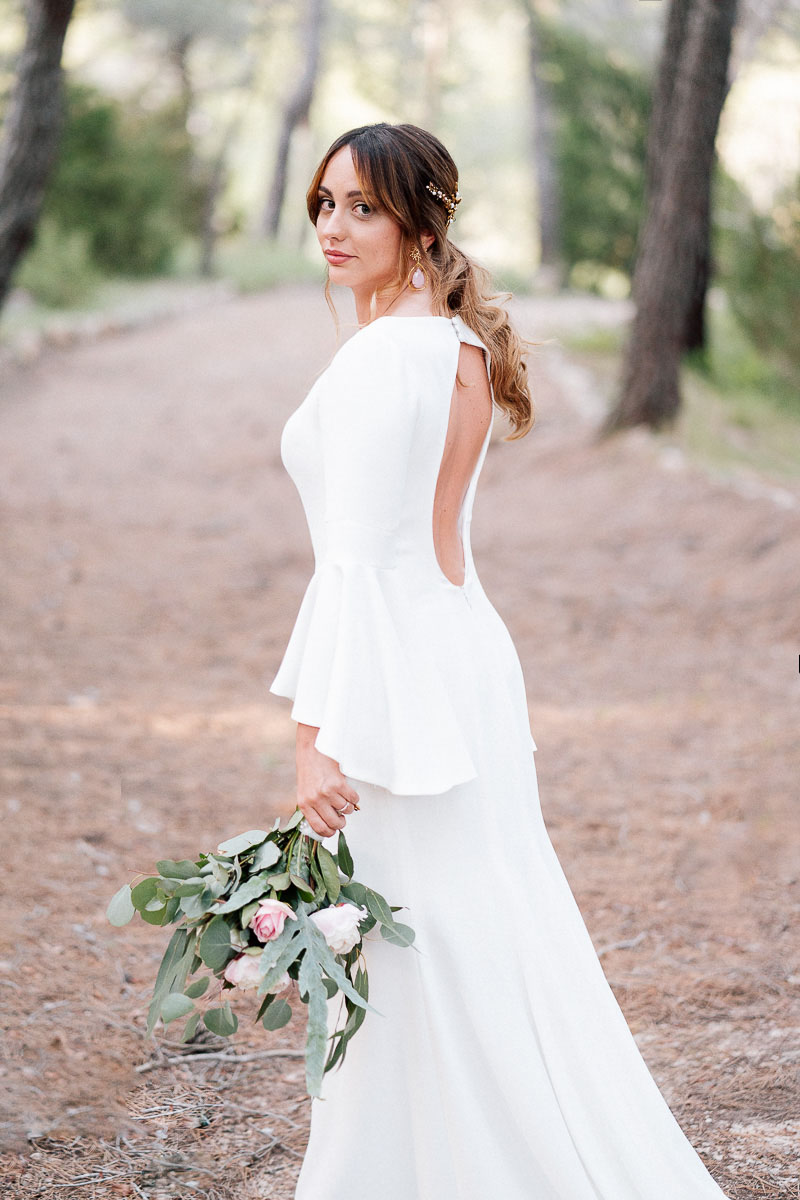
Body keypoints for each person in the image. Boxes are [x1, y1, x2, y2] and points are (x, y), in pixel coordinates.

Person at [269, 122, 730, 1200]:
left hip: (401, 669)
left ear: (420, 220)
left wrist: (310, 740)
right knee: (475, 919)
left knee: (423, 930)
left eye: (363, 208)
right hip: (453, 653)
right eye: (324, 204)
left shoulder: (388, 357)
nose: (335, 228)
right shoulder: (456, 346)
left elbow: (360, 567)